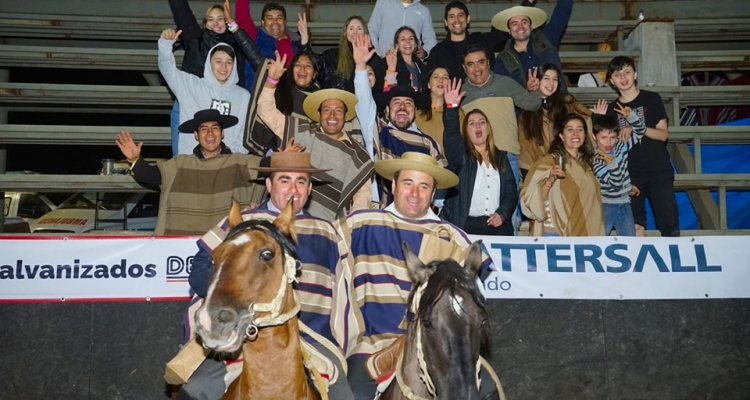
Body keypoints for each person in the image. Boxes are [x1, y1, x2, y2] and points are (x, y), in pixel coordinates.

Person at [179, 151, 355, 400]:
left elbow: (343, 292)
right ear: (269, 185)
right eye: (285, 180)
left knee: (345, 396)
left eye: (301, 181)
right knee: (195, 390)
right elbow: (200, 268)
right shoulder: (246, 222)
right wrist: (226, 302)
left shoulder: (327, 230)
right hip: (244, 334)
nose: (293, 189)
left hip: (313, 339)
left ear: (310, 188)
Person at [336, 152, 499, 400]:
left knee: (489, 391)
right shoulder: (357, 224)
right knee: (352, 395)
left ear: (433, 194)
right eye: (408, 183)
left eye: (424, 186)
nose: (415, 193)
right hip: (373, 346)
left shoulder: (455, 238)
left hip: (441, 346)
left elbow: (472, 299)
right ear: (393, 185)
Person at [257, 52, 375, 220]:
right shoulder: (302, 132)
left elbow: (362, 197)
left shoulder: (357, 154)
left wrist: (349, 228)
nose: (332, 116)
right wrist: (272, 81)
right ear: (318, 115)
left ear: (346, 116)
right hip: (286, 219)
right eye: (326, 110)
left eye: (338, 110)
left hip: (329, 228)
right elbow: (266, 111)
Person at [115, 109, 266, 235]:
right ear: (196, 135)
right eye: (203, 129)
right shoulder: (180, 164)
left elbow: (270, 167)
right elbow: (151, 176)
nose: (210, 133)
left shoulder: (242, 162)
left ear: (222, 133)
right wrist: (135, 160)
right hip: (184, 248)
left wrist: (286, 157)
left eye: (215, 128)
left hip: (229, 246)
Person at [167, 0, 265, 155]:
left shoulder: (236, 43)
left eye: (220, 19)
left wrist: (234, 25)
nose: (216, 23)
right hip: (187, 108)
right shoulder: (195, 38)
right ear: (205, 24)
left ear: (226, 22)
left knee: (223, 162)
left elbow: (258, 59)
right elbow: (182, 11)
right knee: (182, 161)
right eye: (211, 20)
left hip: (224, 109)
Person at [605, 56, 678, 237]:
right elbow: (609, 145)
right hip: (629, 173)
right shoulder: (611, 109)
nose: (623, 77)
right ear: (611, 81)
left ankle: (675, 264)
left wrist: (638, 127)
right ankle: (638, 265)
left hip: (658, 169)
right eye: (617, 74)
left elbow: (663, 134)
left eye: (627, 72)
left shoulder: (652, 99)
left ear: (635, 74)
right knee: (635, 225)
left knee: (669, 225)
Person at [441, 80, 518, 236]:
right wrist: (451, 109)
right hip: (465, 227)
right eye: (472, 123)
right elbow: (451, 135)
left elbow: (511, 193)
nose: (477, 126)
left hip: (497, 227)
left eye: (482, 122)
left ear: (488, 129)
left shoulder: (501, 158)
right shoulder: (460, 155)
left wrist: (502, 214)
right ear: (466, 131)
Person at [159, 29, 251, 155]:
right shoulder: (190, 85)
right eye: (218, 61)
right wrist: (165, 45)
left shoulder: (243, 96)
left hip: (226, 165)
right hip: (192, 163)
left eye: (229, 62)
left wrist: (230, 155)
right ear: (209, 63)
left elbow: (245, 133)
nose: (224, 67)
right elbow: (167, 70)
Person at [520, 113, 604, 237]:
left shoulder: (588, 166)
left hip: (584, 237)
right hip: (554, 234)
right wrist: (549, 181)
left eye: (580, 129)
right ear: (561, 136)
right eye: (569, 129)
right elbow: (529, 199)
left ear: (585, 135)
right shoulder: (548, 162)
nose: (575, 134)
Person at [427, 0, 534, 82]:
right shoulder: (437, 52)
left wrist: (527, 2)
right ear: (446, 22)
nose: (456, 20)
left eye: (460, 15)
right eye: (452, 17)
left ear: (468, 19)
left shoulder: (481, 40)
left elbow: (509, 24)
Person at [518, 63, 592, 179]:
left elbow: (588, 120)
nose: (551, 83)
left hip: (570, 170)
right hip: (542, 173)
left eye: (555, 79)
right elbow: (526, 151)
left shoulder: (567, 103)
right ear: (537, 80)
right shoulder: (527, 113)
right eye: (546, 78)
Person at [245, 51, 320, 156]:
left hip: (305, 157)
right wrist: (272, 79)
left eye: (308, 66)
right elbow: (265, 110)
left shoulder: (321, 101)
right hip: (271, 152)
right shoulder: (280, 89)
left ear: (314, 74)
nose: (302, 68)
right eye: (297, 65)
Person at [591, 102, 646, 236]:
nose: (608, 142)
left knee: (630, 241)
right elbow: (615, 184)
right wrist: (611, 164)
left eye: (612, 138)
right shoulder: (596, 160)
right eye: (603, 138)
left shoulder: (620, 146)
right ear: (594, 137)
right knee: (600, 241)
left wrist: (631, 117)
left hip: (625, 202)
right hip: (606, 204)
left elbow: (640, 131)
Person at [492, 0, 573, 92]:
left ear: (531, 26)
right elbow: (503, 90)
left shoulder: (546, 38)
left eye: (524, 22)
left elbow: (562, 11)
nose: (520, 27)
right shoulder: (503, 59)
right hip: (526, 105)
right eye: (514, 24)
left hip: (557, 102)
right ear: (509, 31)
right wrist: (527, 90)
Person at [235, 1, 312, 89]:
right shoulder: (255, 36)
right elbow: (242, 15)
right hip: (258, 98)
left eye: (279, 18)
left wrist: (305, 40)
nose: (275, 21)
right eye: (270, 18)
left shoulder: (296, 43)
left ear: (285, 22)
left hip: (287, 99)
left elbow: (309, 67)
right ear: (263, 22)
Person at [316, 15, 385, 92]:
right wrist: (305, 42)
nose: (355, 32)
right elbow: (313, 64)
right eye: (351, 28)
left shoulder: (372, 57)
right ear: (345, 33)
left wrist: (370, 49)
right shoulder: (332, 55)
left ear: (365, 33)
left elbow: (380, 83)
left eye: (359, 28)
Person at [415, 66, 466, 150]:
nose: (441, 80)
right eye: (436, 77)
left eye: (445, 77)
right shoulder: (417, 114)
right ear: (428, 84)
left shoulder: (457, 113)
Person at [367, 0, 436, 58]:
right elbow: (372, 29)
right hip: (385, 60)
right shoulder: (383, 3)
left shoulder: (423, 11)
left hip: (411, 64)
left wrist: (426, 51)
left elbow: (430, 38)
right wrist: (378, 53)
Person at [386, 26, 426, 90]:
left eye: (411, 39)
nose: (407, 42)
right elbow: (386, 92)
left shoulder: (422, 68)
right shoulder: (388, 63)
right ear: (397, 44)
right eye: (403, 39)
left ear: (415, 44)